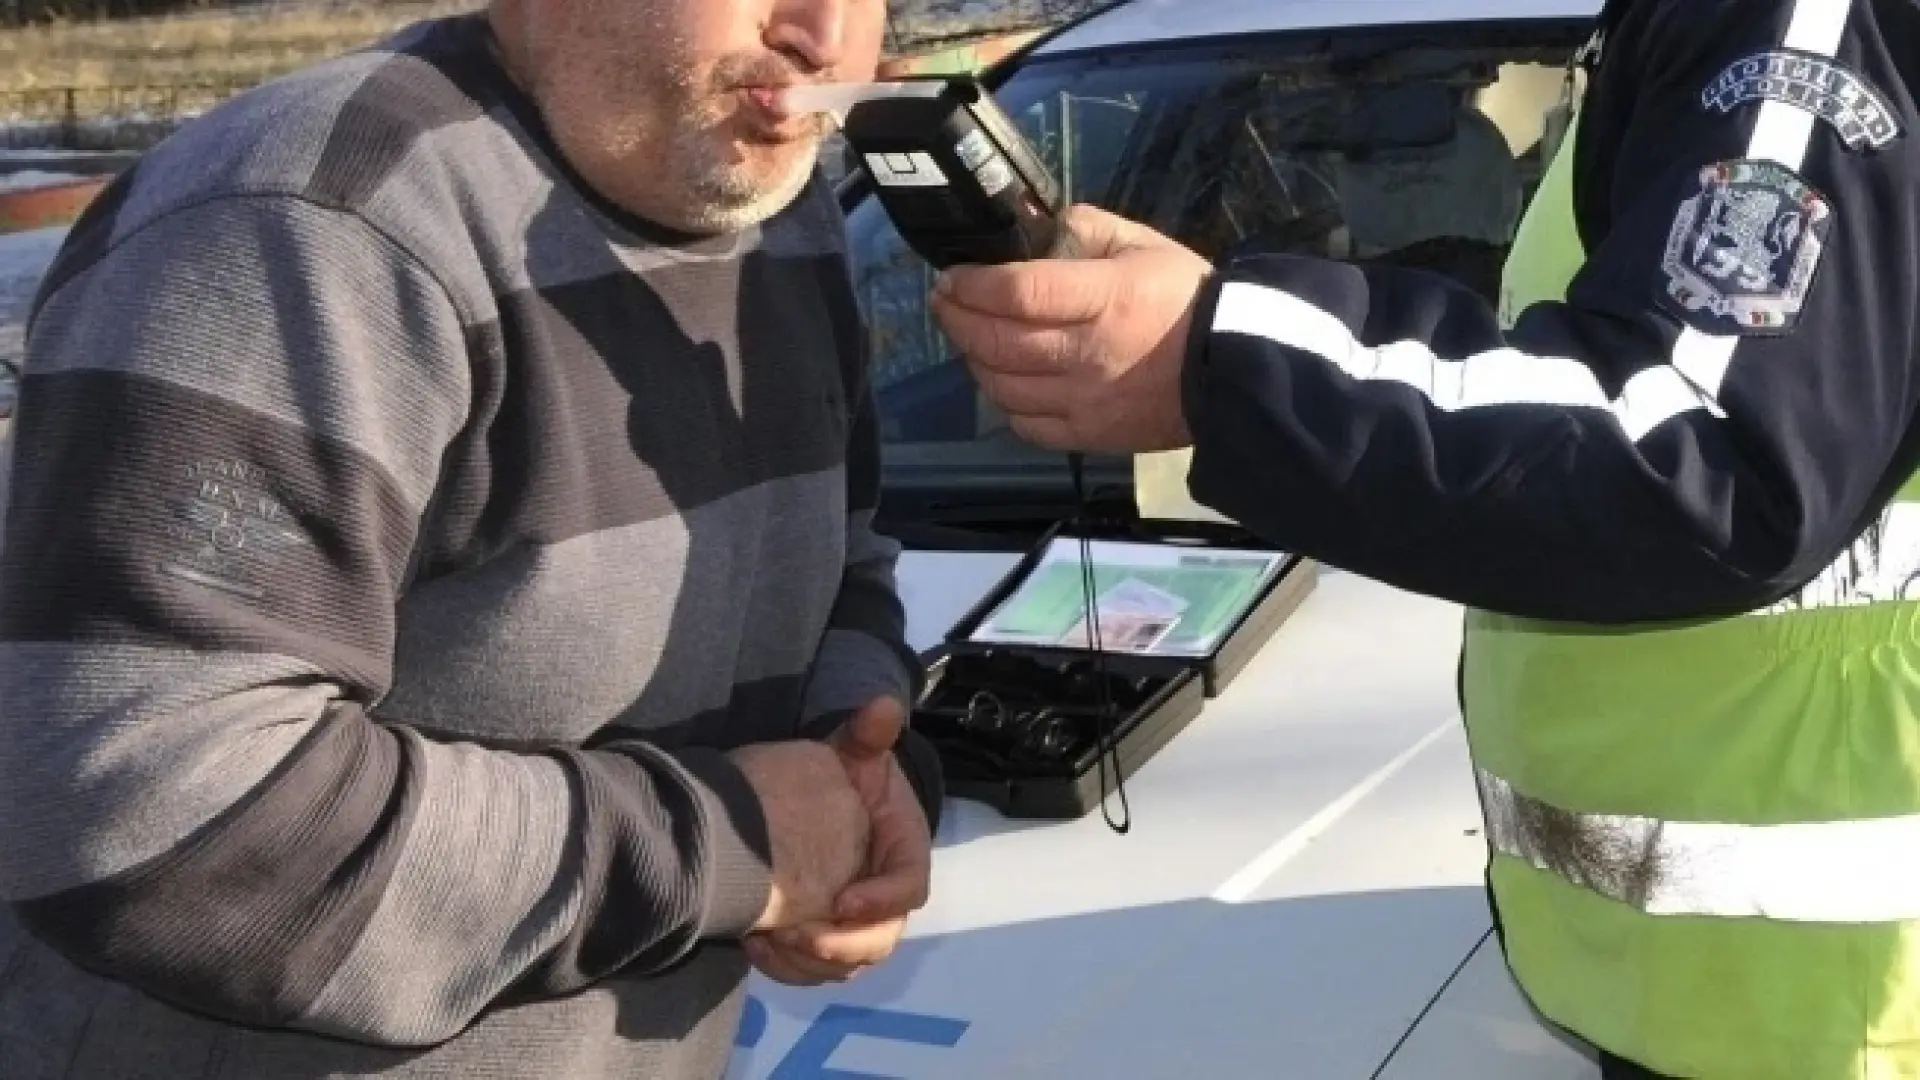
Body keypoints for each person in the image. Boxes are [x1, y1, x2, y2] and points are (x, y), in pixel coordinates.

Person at [929, 0, 1920, 1077]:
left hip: (1835, 1013)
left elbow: (1711, 449)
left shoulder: (1799, 20)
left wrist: (1219, 358)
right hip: (1733, 997)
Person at [0, 0, 943, 1077]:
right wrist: (733, 843)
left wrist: (860, 773)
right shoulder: (306, 228)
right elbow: (148, 817)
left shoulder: (781, 210)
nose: (825, 33)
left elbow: (845, 554)